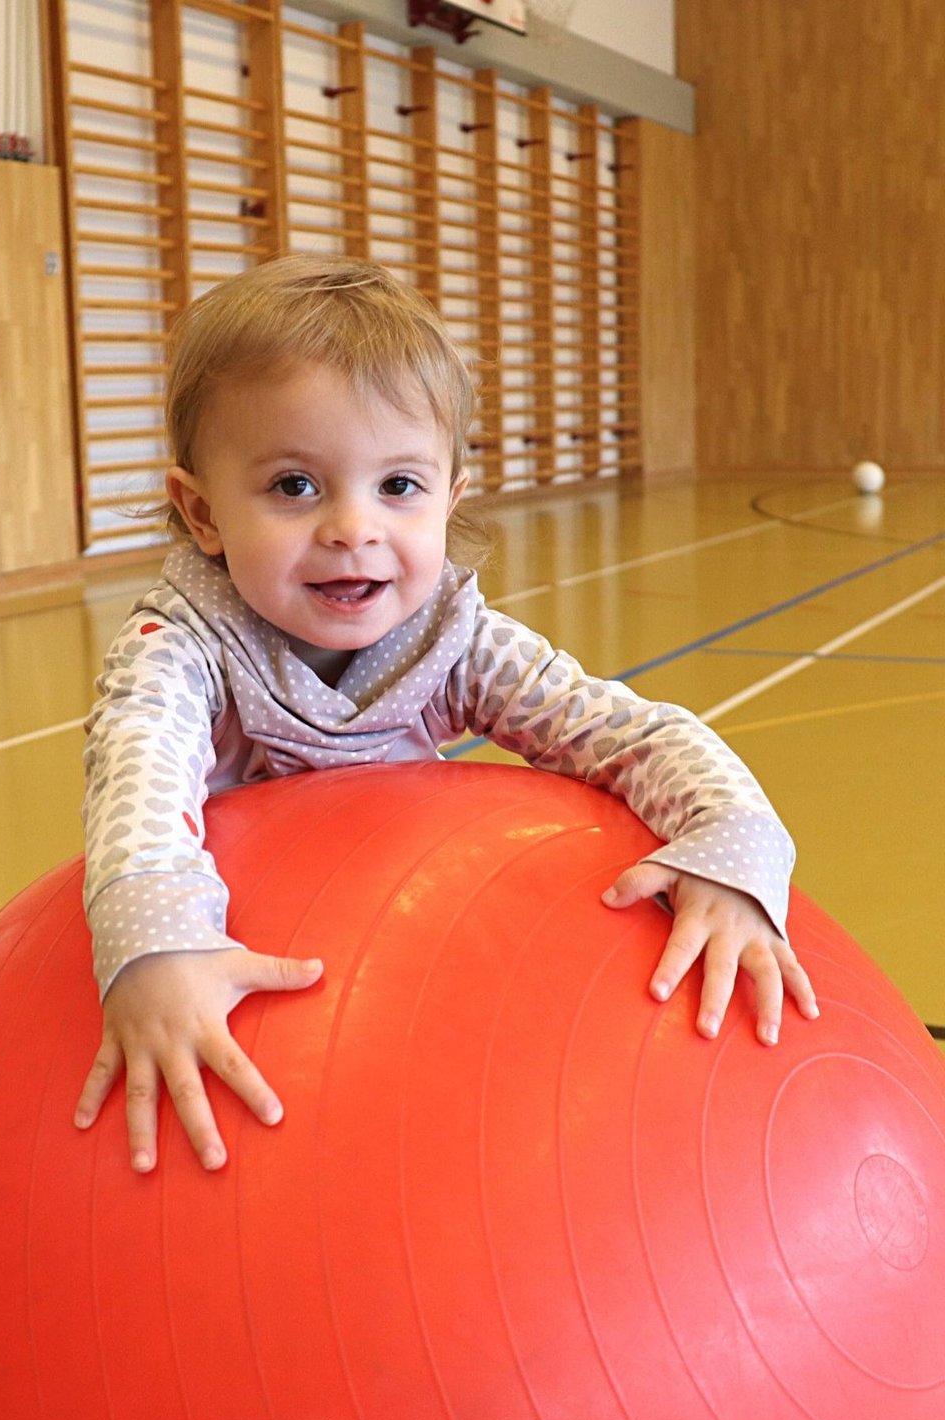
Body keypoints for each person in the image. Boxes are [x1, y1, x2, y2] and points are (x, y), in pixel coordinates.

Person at [73, 254, 817, 1173]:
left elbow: (631, 732)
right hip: (250, 989)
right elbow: (136, 783)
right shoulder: (176, 651)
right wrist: (156, 952)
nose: (355, 527)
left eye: (398, 486)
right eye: (295, 486)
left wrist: (732, 845)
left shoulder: (453, 643)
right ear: (203, 513)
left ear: (450, 499)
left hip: (398, 1000)